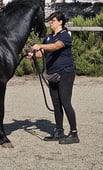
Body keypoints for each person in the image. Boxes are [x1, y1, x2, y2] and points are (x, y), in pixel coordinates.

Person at [29, 11, 79, 144]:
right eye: (50, 20)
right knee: (56, 104)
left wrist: (40, 45)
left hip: (65, 73)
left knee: (65, 102)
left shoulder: (65, 35)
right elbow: (43, 53)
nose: (51, 22)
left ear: (60, 22)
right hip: (52, 74)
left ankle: (74, 133)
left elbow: (56, 47)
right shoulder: (49, 37)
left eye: (53, 20)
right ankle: (59, 131)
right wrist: (33, 53)